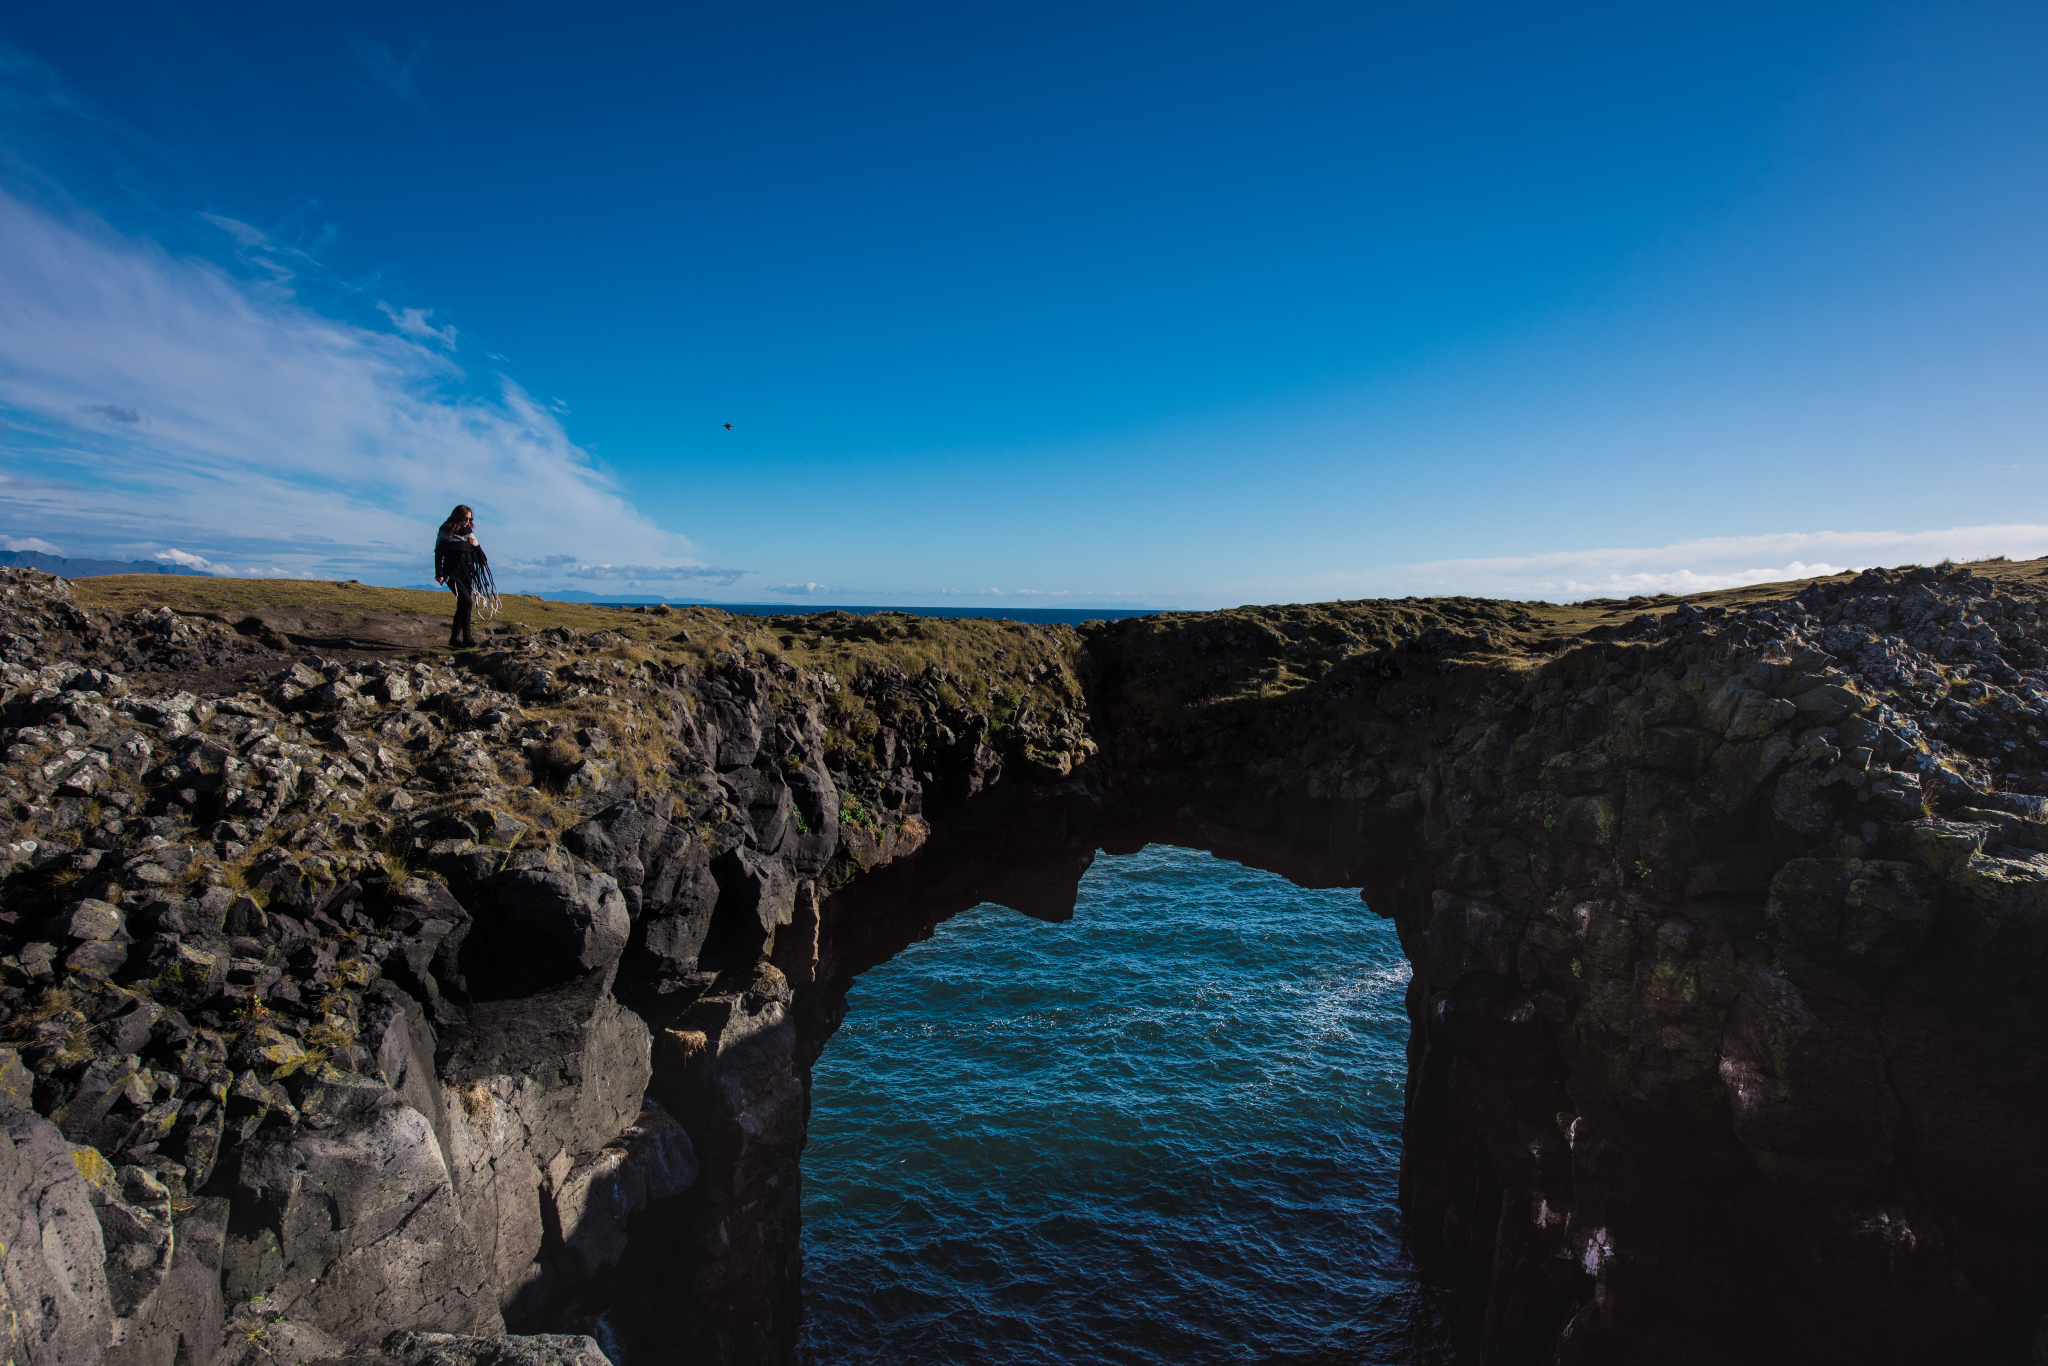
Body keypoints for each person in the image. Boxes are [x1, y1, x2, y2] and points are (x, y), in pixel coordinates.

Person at [433, 504, 496, 648]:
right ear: (458, 517)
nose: (467, 522)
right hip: (452, 572)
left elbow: (482, 560)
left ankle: (456, 639)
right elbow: (438, 553)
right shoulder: (445, 531)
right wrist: (439, 574)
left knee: (463, 604)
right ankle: (466, 637)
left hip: (468, 573)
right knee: (466, 601)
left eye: (469, 519)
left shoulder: (470, 534)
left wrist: (477, 545)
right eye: (465, 519)